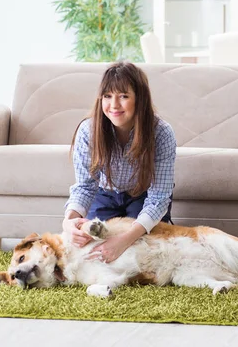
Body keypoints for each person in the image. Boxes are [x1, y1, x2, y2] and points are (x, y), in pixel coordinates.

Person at [63, 61, 177, 264]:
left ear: (139, 99)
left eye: (123, 96)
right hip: (104, 194)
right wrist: (67, 222)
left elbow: (159, 197)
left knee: (147, 246)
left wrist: (123, 241)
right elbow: (85, 187)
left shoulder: (162, 133)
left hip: (143, 195)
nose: (114, 105)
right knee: (91, 245)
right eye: (107, 96)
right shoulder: (88, 131)